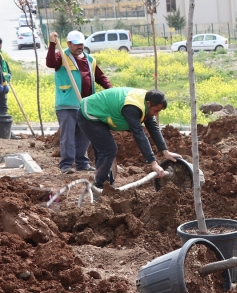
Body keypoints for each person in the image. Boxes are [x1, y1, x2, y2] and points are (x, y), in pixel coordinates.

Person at [76, 87, 182, 189]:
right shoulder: (132, 107)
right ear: (149, 103)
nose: (156, 114)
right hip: (90, 115)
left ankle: (105, 184)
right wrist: (153, 162)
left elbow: (153, 128)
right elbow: (139, 134)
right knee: (108, 149)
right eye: (155, 110)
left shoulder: (146, 103)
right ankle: (100, 186)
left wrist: (166, 152)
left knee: (104, 150)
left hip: (99, 113)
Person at [46, 30, 113, 174]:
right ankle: (66, 165)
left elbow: (100, 77)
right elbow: (50, 63)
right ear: (69, 44)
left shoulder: (90, 59)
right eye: (76, 45)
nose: (79, 47)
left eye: (81, 44)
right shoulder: (61, 56)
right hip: (67, 104)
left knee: (85, 136)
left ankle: (82, 163)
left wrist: (111, 90)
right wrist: (52, 44)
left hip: (86, 105)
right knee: (68, 136)